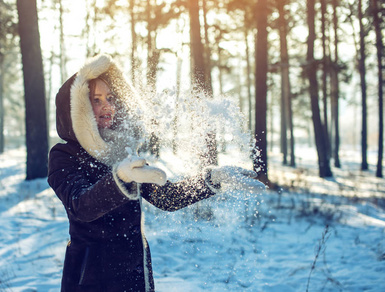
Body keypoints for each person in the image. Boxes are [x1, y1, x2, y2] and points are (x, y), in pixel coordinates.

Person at [47, 54, 263, 292]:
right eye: (96, 100)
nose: (108, 106)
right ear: (77, 108)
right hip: (90, 280)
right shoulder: (64, 155)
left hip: (134, 276)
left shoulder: (124, 151)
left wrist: (211, 180)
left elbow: (167, 197)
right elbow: (81, 205)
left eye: (110, 97)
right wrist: (121, 178)